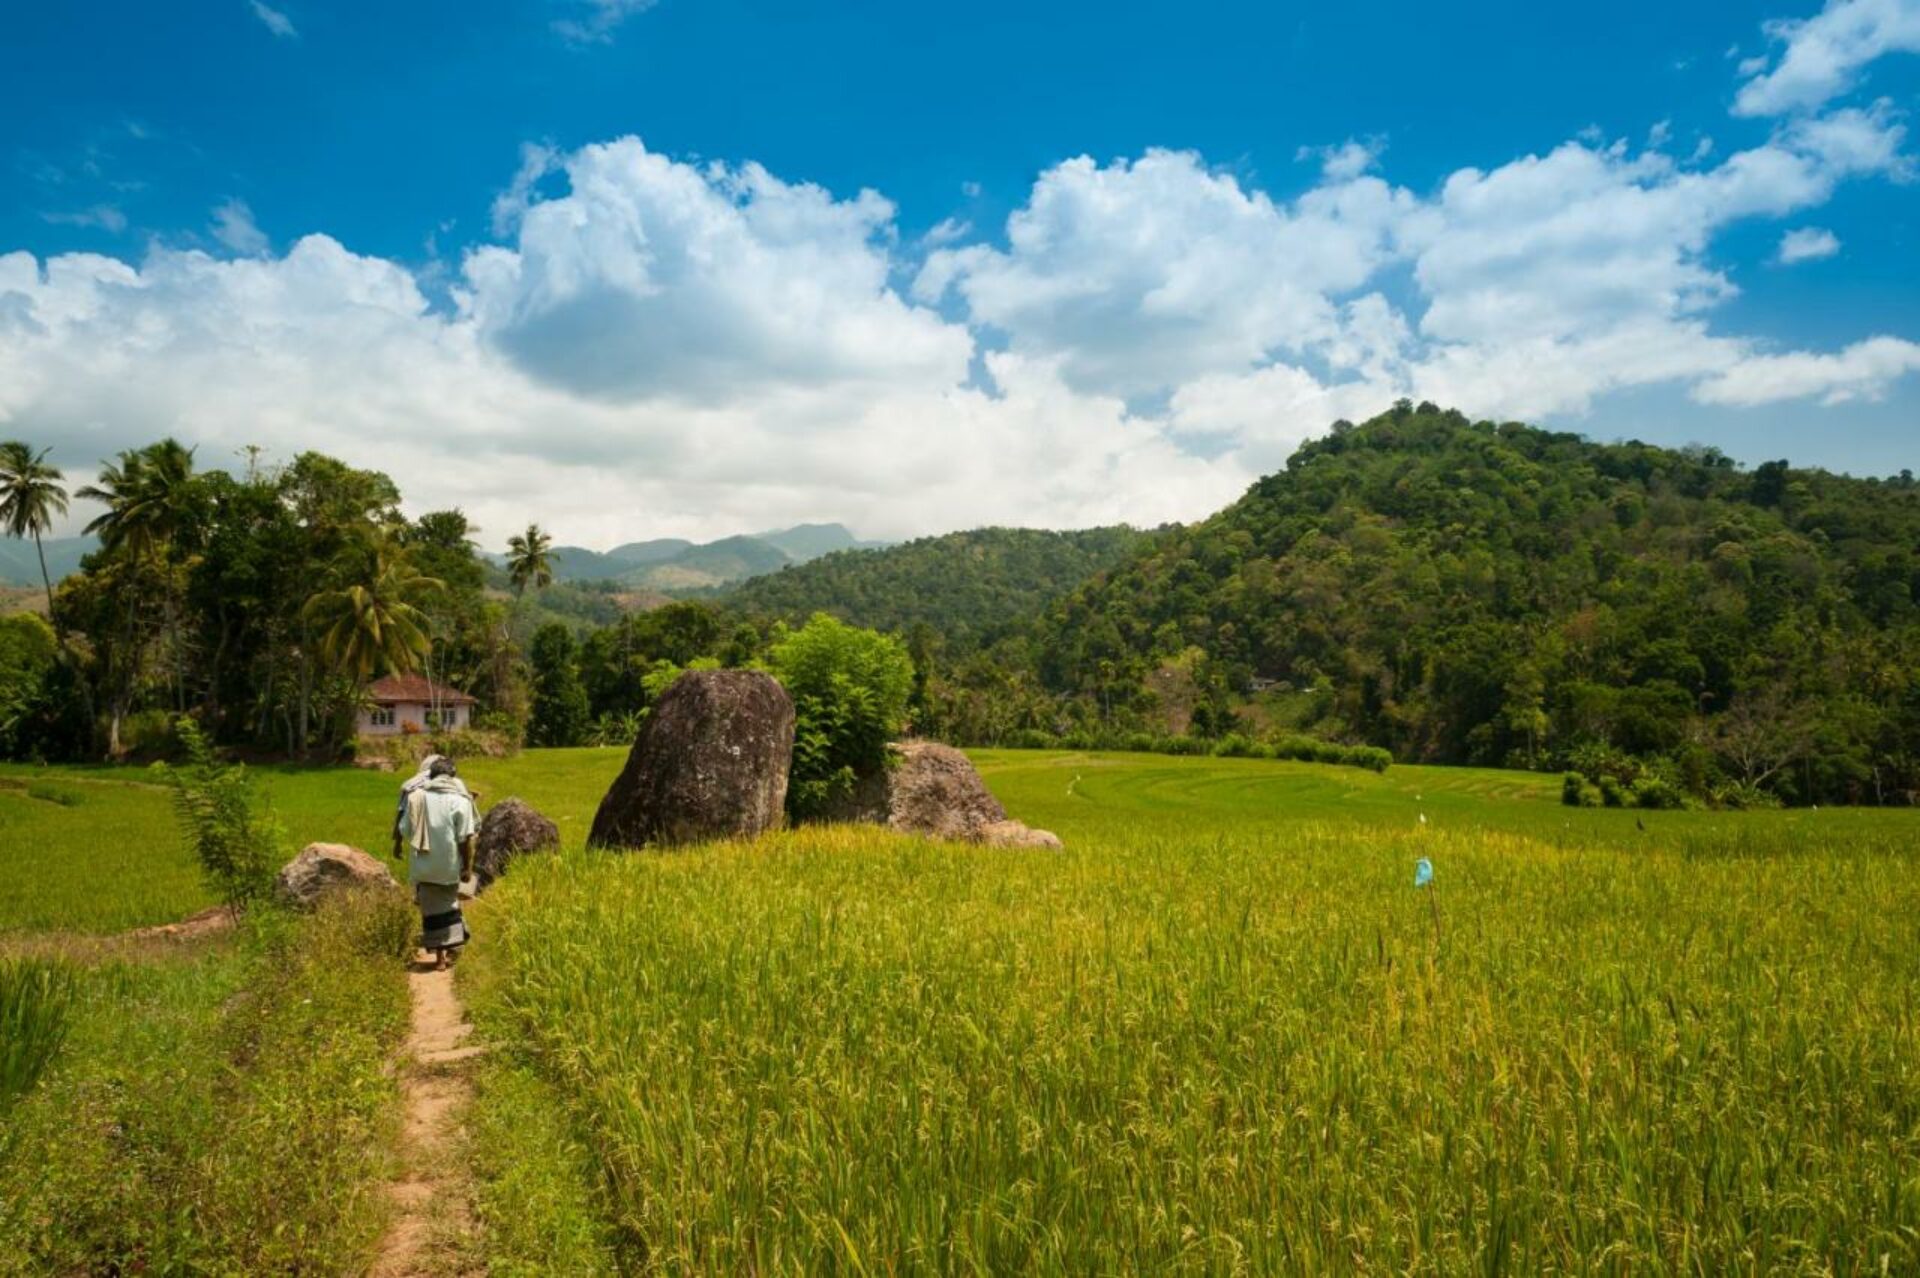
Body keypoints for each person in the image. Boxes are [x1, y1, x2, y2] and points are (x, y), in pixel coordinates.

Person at [395, 755, 478, 968]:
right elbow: (465, 839)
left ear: (430, 776)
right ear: (452, 777)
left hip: (422, 866)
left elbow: (404, 829)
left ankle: (439, 956)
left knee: (431, 908)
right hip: (449, 866)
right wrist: (467, 868)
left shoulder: (416, 797)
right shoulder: (460, 800)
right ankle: (447, 952)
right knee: (449, 905)